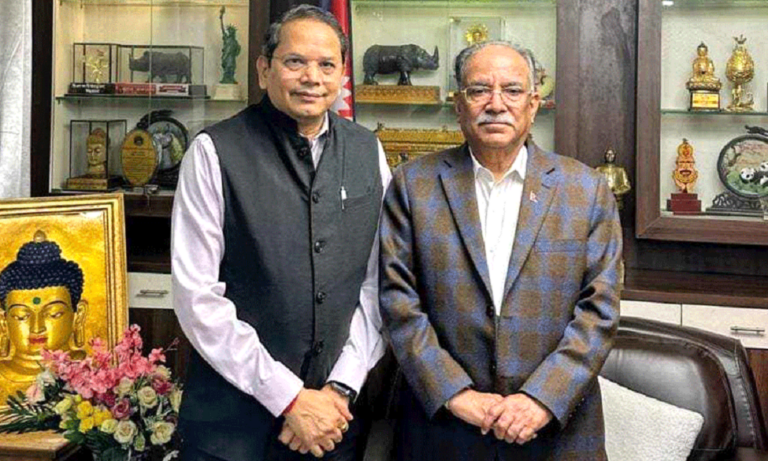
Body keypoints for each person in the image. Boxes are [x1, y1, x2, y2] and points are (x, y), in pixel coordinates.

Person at [379, 41, 622, 461]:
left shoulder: (586, 189)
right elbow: (398, 301)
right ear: (459, 105)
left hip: (555, 435)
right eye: (479, 90)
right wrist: (455, 394)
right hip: (443, 431)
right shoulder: (412, 185)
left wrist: (541, 399)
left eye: (512, 90)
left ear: (534, 103)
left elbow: (600, 310)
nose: (496, 104)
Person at [172, 5, 390, 461]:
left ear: (342, 74)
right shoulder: (213, 152)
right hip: (231, 431)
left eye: (326, 64)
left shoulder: (368, 150)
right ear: (263, 69)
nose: (312, 77)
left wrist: (339, 388)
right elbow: (197, 299)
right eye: (295, 62)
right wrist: (290, 398)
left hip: (334, 424)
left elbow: (378, 285)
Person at [0, 230, 88, 401]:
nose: (37, 327)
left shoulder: (95, 372)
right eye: (21, 316)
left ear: (79, 316)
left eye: (53, 314)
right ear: (4, 322)